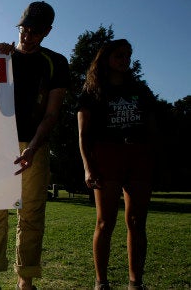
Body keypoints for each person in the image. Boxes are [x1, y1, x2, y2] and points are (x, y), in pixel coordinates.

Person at [0, 1, 69, 290]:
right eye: (23, 29)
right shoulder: (2, 57)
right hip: (0, 143)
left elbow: (52, 113)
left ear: (47, 32)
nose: (26, 36)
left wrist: (32, 147)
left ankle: (25, 279)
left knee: (31, 214)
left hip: (35, 143)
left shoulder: (56, 62)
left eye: (34, 31)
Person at [77, 39, 156, 290]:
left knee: (136, 221)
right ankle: (101, 282)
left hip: (138, 156)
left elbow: (153, 125)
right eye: (119, 55)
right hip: (106, 157)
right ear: (106, 58)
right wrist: (88, 167)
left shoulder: (139, 89)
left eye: (128, 56)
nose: (125, 60)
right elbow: (83, 135)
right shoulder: (91, 91)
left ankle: (136, 282)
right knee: (105, 221)